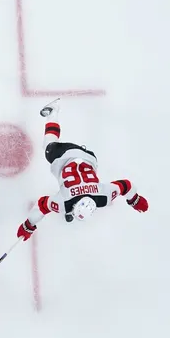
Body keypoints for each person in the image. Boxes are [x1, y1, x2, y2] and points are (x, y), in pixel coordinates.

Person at [17, 98, 149, 241]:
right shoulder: (63, 202)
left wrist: (135, 200)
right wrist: (28, 226)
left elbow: (126, 186)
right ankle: (52, 112)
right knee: (48, 145)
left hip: (89, 157)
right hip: (64, 157)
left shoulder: (104, 197)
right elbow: (42, 205)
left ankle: (53, 114)